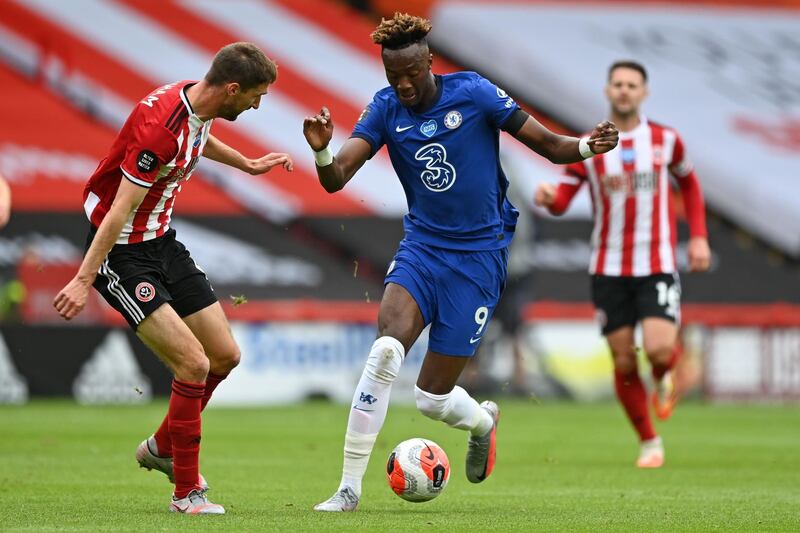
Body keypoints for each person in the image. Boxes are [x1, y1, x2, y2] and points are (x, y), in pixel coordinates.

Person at [303, 12, 618, 511]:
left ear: (430, 61)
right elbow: (336, 177)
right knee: (385, 352)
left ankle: (483, 422)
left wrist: (587, 145)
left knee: (430, 397)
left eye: (411, 73)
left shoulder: (474, 93)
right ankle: (348, 489)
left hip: (478, 259)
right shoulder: (385, 109)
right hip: (422, 249)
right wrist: (322, 152)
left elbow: (550, 147)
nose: (403, 85)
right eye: (393, 76)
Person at [53, 42, 293, 514]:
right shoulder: (159, 133)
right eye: (256, 95)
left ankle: (162, 448)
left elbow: (199, 137)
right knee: (194, 364)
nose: (257, 104)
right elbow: (119, 210)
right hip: (120, 252)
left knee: (224, 355)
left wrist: (246, 163)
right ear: (231, 89)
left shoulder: (194, 101)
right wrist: (83, 279)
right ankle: (186, 493)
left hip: (162, 242)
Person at [535, 60, 711, 468]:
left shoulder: (666, 141)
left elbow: (690, 183)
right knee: (625, 360)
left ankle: (668, 369)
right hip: (608, 267)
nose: (625, 90)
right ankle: (649, 441)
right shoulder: (591, 147)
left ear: (644, 92)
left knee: (659, 349)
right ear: (607, 90)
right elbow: (563, 201)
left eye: (632, 84)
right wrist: (548, 198)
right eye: (618, 84)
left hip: (657, 263)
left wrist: (698, 235)